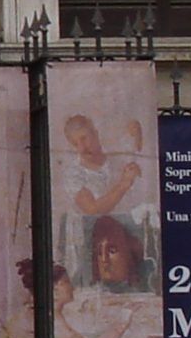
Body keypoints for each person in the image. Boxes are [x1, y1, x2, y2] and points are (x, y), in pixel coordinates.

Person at [58, 113, 144, 287]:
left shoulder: (117, 162)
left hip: (126, 240)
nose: (82, 147)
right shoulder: (74, 174)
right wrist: (124, 184)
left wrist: (138, 133)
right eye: (76, 143)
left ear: (95, 134)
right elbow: (93, 209)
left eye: (84, 138)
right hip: (93, 245)